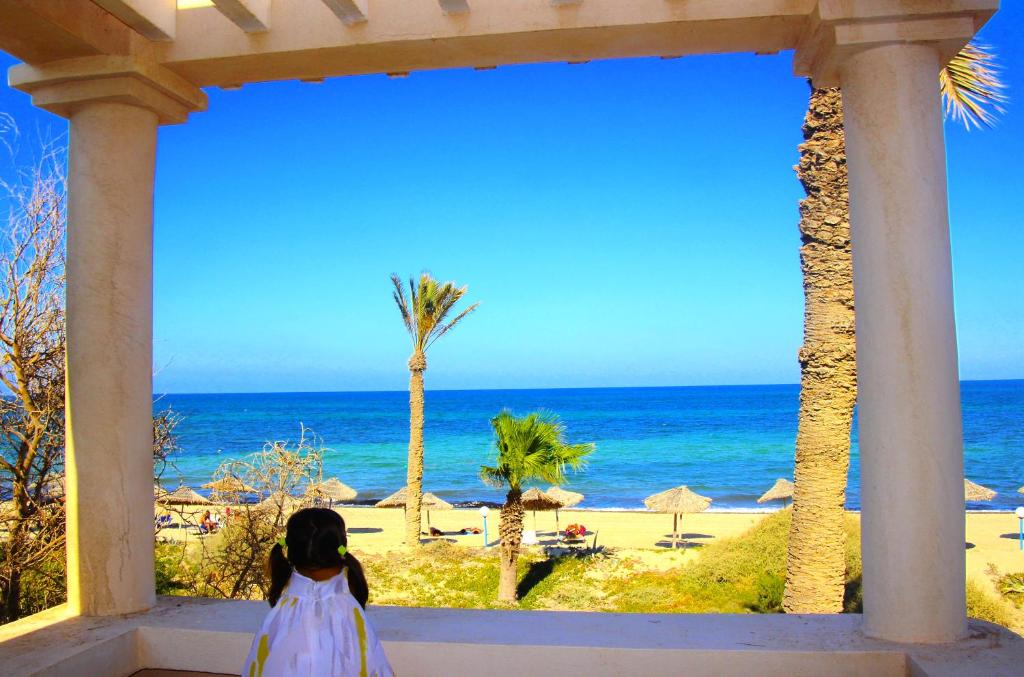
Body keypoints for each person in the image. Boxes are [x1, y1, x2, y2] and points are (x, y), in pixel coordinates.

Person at [242, 508, 393, 677]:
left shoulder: (281, 614)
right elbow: (373, 665)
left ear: (290, 552)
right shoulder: (349, 612)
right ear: (341, 547)